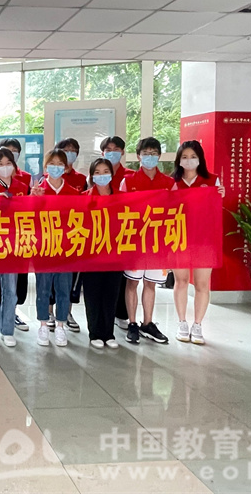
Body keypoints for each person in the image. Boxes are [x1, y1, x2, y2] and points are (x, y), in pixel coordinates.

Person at [120, 137, 175, 345]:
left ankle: (148, 323)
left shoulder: (169, 183)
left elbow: (178, 210)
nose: (149, 157)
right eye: (145, 153)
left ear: (159, 156)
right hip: (134, 241)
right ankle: (132, 323)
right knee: (132, 282)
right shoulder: (129, 181)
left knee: (151, 283)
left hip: (158, 242)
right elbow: (120, 210)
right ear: (138, 156)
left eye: (153, 153)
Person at [171, 140, 225, 345]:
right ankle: (182, 322)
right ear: (179, 160)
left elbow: (216, 209)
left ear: (200, 158)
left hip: (205, 240)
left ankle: (198, 324)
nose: (189, 160)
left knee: (202, 284)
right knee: (181, 281)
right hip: (179, 238)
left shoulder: (212, 180)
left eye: (193, 156)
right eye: (184, 157)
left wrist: (220, 195)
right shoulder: (172, 182)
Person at [0, 148, 29, 347]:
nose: (5, 167)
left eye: (8, 163)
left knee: (11, 288)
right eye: (0, 164)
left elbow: (30, 213)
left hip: (14, 245)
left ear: (14, 166)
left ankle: (8, 329)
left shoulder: (23, 187)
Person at [31, 149, 78, 347]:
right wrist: (33, 200)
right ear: (45, 166)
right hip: (43, 249)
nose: (56, 167)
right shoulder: (38, 191)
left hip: (66, 250)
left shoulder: (73, 193)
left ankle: (60, 325)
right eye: (52, 163)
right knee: (43, 289)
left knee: (63, 289)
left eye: (60, 164)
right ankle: (43, 324)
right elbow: (28, 220)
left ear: (65, 167)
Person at [81, 158, 123, 349]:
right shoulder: (84, 197)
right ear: (91, 176)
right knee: (93, 293)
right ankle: (95, 333)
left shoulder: (121, 197)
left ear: (112, 175)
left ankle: (109, 333)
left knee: (111, 293)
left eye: (105, 171)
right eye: (97, 172)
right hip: (92, 255)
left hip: (115, 253)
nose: (101, 176)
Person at [0, 138, 32, 332]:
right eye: (1, 163)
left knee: (14, 284)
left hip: (18, 240)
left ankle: (11, 316)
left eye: (11, 156)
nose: (5, 166)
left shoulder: (25, 182)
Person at [100, 136, 134, 330]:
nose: (112, 152)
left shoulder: (129, 176)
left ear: (122, 152)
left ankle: (121, 313)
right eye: (108, 149)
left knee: (122, 276)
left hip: (123, 231)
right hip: (101, 232)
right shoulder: (96, 175)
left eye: (116, 149)